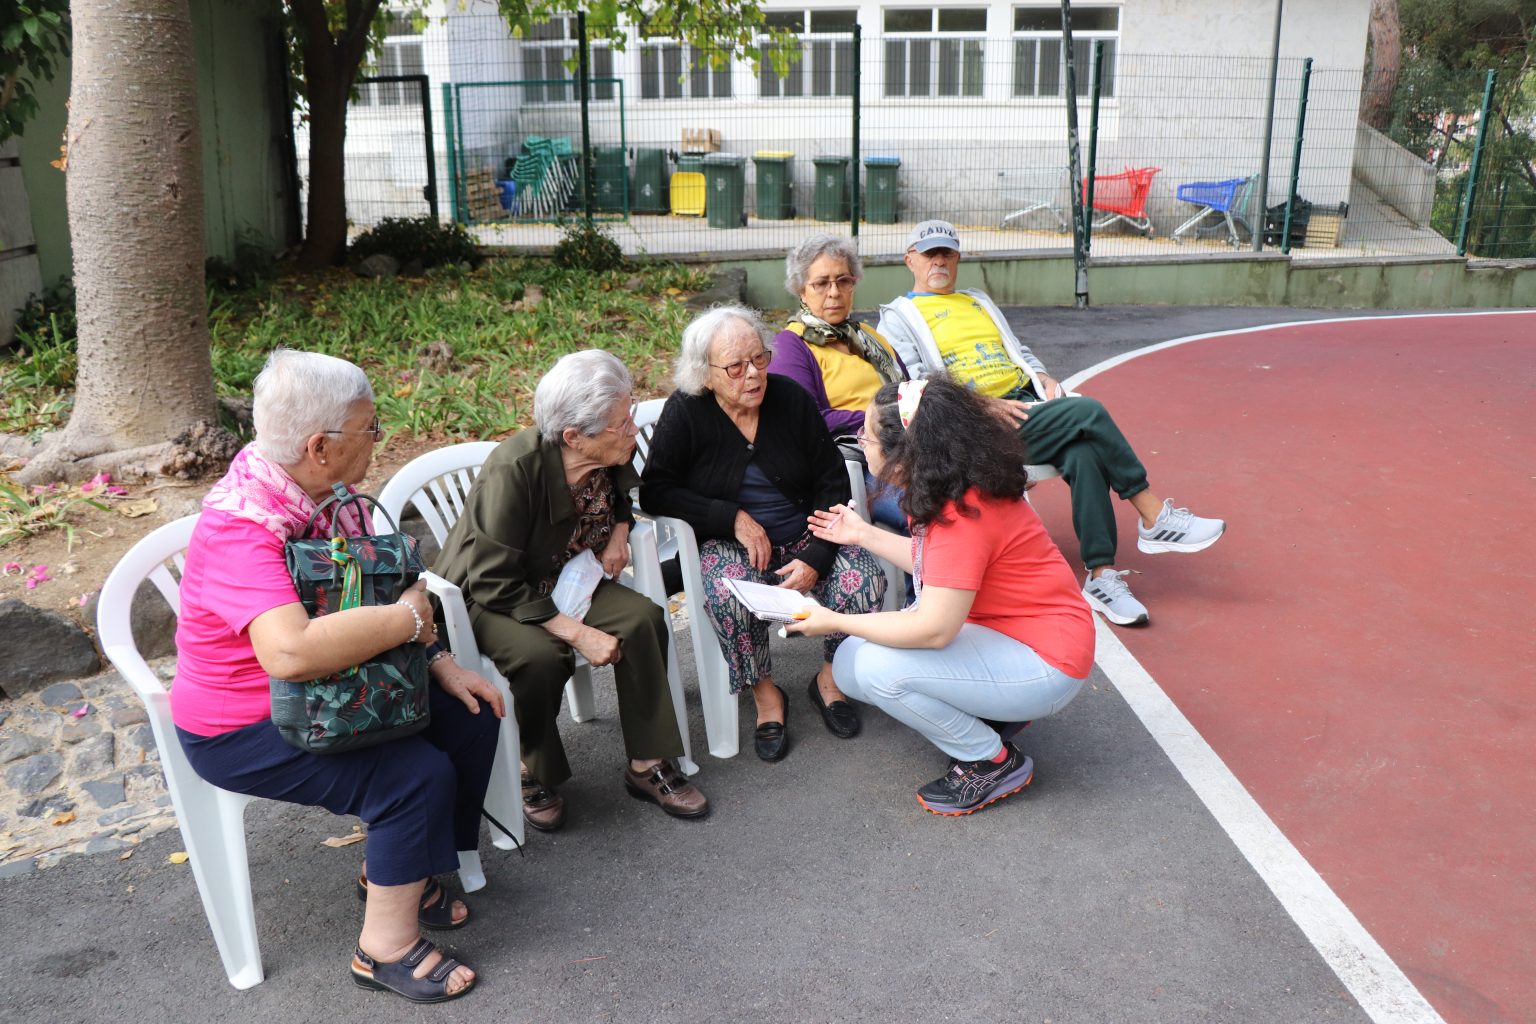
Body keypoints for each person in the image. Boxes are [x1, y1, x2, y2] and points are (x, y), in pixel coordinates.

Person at [171, 349, 502, 1004]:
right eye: (369, 427)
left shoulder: (331, 498)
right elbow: (291, 654)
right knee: (411, 777)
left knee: (470, 718)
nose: (378, 436)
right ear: (320, 447)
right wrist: (410, 621)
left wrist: (440, 663)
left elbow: (389, 585)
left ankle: (400, 871)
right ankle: (384, 950)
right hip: (246, 724)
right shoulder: (242, 526)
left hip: (341, 685)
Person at [876, 219, 1226, 627]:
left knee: (1083, 452)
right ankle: (1153, 515)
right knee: (1089, 412)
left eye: (947, 253)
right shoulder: (898, 317)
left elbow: (1016, 350)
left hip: (1026, 406)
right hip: (973, 424)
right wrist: (981, 404)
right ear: (910, 260)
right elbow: (915, 388)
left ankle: (1102, 575)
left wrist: (1042, 376)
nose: (939, 261)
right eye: (929, 254)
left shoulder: (976, 301)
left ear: (958, 258)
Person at [787, 376, 1095, 816]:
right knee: (858, 657)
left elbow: (932, 630)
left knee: (867, 667)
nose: (861, 442)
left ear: (902, 454)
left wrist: (832, 620)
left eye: (866, 435)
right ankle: (995, 711)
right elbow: (937, 565)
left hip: (1046, 665)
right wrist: (861, 534)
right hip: (1031, 637)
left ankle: (990, 761)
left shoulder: (958, 515)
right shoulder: (960, 486)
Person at [432, 349, 708, 831]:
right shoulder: (514, 471)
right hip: (494, 594)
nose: (633, 430)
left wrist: (620, 530)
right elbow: (493, 580)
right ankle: (532, 768)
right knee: (541, 656)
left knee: (642, 619)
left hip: (567, 577)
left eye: (631, 414)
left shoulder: (608, 452)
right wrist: (578, 633)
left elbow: (621, 496)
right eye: (622, 424)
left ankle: (647, 762)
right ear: (574, 436)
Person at [639, 306, 887, 761]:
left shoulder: (790, 399)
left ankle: (831, 678)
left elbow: (832, 479)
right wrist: (729, 517)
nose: (753, 374)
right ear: (706, 373)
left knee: (864, 579)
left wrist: (816, 556)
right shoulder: (686, 412)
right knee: (726, 593)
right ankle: (766, 695)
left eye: (759, 359)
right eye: (735, 367)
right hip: (731, 544)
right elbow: (657, 491)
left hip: (807, 532)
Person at [767, 233, 908, 531]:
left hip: (911, 447)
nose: (834, 292)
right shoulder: (792, 345)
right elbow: (808, 420)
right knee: (937, 512)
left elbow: (910, 391)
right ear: (801, 290)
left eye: (843, 281)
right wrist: (883, 420)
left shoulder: (868, 335)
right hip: (860, 465)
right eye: (821, 283)